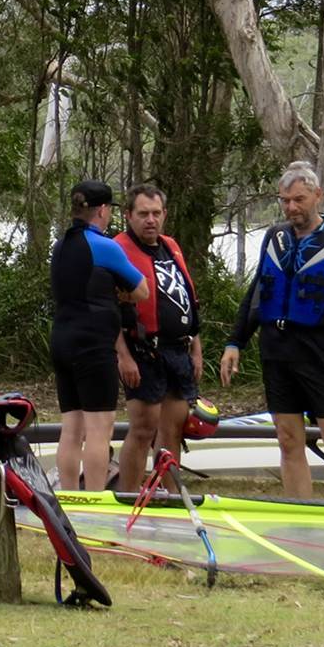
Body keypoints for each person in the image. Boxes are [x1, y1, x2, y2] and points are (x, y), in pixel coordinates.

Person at [221, 161, 324, 501]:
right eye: (285, 200)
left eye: (299, 199)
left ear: (317, 195)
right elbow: (258, 292)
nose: (291, 207)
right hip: (277, 349)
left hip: (320, 350)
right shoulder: (274, 238)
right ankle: (301, 512)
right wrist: (236, 341)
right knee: (288, 438)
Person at [49, 179, 149, 496]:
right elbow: (142, 290)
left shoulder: (60, 246)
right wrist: (121, 294)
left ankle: (67, 496)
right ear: (103, 211)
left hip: (62, 339)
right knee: (99, 429)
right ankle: (93, 499)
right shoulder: (105, 246)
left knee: (71, 428)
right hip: (93, 344)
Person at [113, 185, 204, 492]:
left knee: (173, 430)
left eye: (155, 213)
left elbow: (187, 300)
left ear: (164, 214)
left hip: (177, 350)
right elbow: (108, 311)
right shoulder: (119, 250)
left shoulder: (171, 247)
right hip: (142, 350)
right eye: (143, 214)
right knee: (143, 428)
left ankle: (170, 495)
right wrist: (123, 356)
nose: (150, 220)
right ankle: (128, 494)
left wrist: (196, 350)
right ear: (129, 215)